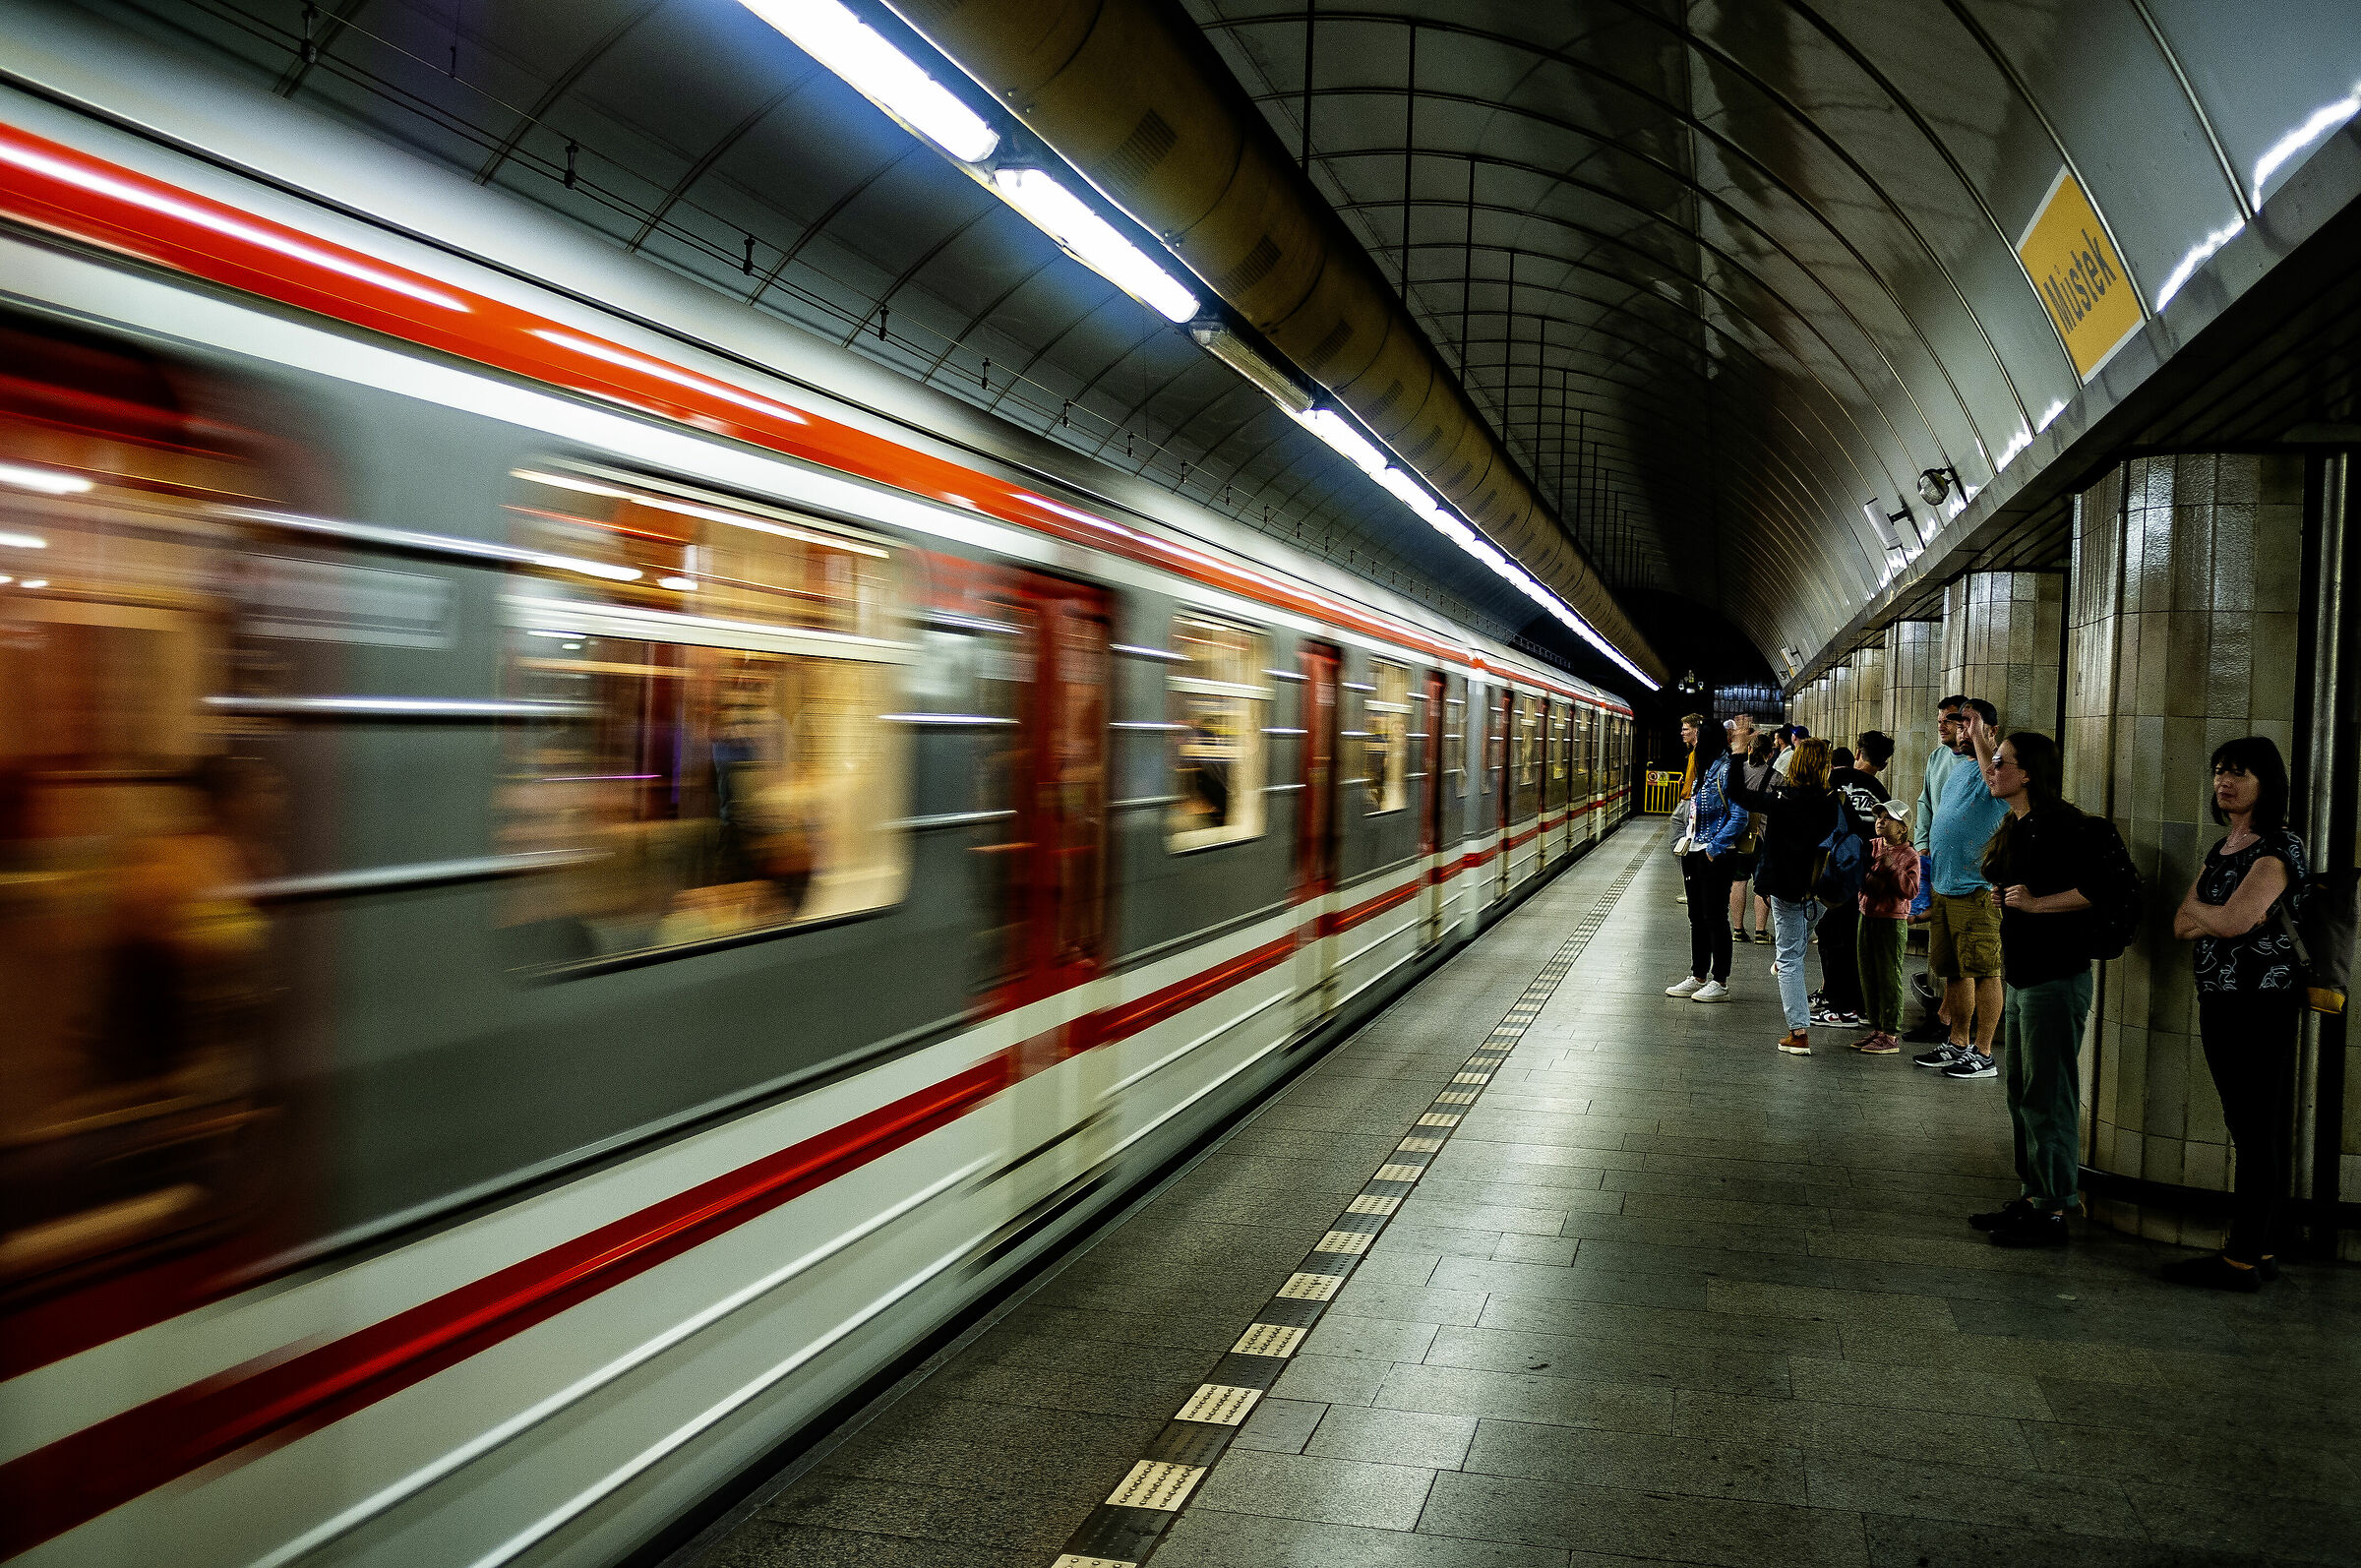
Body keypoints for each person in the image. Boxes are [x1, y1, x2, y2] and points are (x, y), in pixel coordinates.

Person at [2166, 737, 2307, 1292]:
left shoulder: (2278, 847)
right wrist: (2211, 914)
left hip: (2261, 1002)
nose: (2224, 782)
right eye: (2219, 772)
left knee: (2254, 1129)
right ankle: (2260, 1246)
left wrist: (2210, 914)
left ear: (2265, 783)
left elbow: (2234, 922)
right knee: (2244, 1124)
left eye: (2238, 773)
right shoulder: (2224, 846)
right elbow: (2181, 923)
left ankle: (2244, 1256)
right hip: (2220, 997)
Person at [1969, 731, 2107, 1247]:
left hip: (2056, 977)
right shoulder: (2019, 824)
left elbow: (2098, 890)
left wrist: (2034, 904)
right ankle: (2032, 1195)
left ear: (2027, 773)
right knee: (2021, 1093)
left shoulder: (2063, 826)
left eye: (2001, 762)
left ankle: (2052, 1208)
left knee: (2048, 1097)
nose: (1992, 769)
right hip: (2024, 977)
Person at [1914, 699, 2010, 1079]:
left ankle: (1983, 1052)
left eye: (1968, 724)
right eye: (1958, 725)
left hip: (1977, 888)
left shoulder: (2000, 769)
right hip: (1946, 884)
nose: (1960, 731)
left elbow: (1995, 782)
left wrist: (1980, 734)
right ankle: (1957, 1041)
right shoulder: (1957, 767)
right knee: (1954, 971)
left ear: (1990, 731)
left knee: (1986, 970)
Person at [1726, 737, 1840, 1055]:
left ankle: (1798, 1033)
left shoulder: (1784, 798)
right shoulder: (1830, 801)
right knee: (1801, 935)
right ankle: (1786, 960)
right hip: (1819, 888)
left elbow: (1738, 794)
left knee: (1790, 959)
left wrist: (1737, 755)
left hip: (1786, 887)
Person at [1667, 713, 1748, 1002]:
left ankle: (1720, 981)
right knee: (1697, 917)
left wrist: (1714, 848)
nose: (1694, 741)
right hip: (1694, 850)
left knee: (1715, 917)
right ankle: (1698, 974)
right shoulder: (1706, 769)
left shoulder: (1725, 771)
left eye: (1699, 736)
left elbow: (1739, 816)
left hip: (1716, 854)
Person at [1905, 696, 1969, 1044]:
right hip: (1934, 857)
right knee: (1943, 948)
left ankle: (1953, 1024)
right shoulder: (1936, 757)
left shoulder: (1974, 763)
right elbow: (1925, 800)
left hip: (1965, 868)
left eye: (1949, 719)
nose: (1941, 725)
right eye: (1939, 719)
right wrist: (1922, 842)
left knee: (1964, 957)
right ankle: (1944, 1015)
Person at [1812, 737, 1885, 1029]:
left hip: (1840, 872)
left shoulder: (1835, 780)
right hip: (1869, 872)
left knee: (1834, 935)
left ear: (1857, 753)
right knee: (1848, 936)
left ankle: (1843, 1005)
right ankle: (1850, 1001)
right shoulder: (1878, 790)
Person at [1853, 800, 1919, 1055]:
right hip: (1867, 914)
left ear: (1903, 828)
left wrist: (1893, 867)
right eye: (1879, 816)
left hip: (1891, 921)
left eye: (1888, 818)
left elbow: (1910, 891)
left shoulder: (1909, 855)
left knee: (1889, 975)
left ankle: (1891, 1032)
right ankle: (1878, 1027)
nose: (1881, 821)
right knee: (1868, 973)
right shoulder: (1871, 846)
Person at [1729, 728, 1776, 942]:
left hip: (1739, 834)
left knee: (1738, 881)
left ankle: (1738, 930)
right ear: (1771, 753)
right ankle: (1760, 931)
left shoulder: (1739, 771)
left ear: (1749, 749)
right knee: (1761, 883)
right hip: (1765, 837)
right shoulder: (1777, 777)